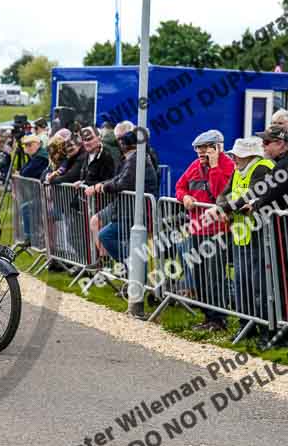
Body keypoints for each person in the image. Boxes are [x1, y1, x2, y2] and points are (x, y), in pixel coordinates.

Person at [206, 137, 275, 347]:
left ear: (249, 155)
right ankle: (246, 325)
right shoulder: (239, 170)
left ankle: (266, 330)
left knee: (259, 286)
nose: (234, 159)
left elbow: (250, 195)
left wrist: (225, 208)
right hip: (240, 233)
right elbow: (223, 195)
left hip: (258, 233)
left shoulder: (262, 168)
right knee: (242, 282)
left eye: (237, 156)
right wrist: (222, 207)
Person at [174, 130, 235, 331]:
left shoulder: (227, 166)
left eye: (206, 147)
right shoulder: (194, 166)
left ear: (217, 147)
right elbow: (180, 186)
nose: (201, 152)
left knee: (215, 276)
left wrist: (215, 166)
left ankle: (220, 319)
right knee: (199, 276)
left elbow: (220, 194)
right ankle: (208, 316)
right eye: (199, 148)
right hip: (197, 230)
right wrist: (185, 198)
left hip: (219, 230)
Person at [86, 128, 159, 264]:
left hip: (137, 211)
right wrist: (101, 185)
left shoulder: (137, 159)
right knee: (107, 233)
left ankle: (130, 266)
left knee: (107, 235)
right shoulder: (132, 159)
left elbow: (122, 183)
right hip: (128, 209)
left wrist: (101, 187)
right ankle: (128, 269)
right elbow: (118, 179)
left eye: (121, 142)